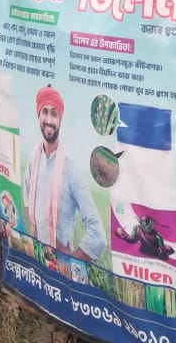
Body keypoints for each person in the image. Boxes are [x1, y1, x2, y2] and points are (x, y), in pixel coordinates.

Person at [23, 85, 106, 262]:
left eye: (54, 114)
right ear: (38, 115)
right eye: (45, 112)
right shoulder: (33, 159)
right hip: (38, 260)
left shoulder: (71, 172)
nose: (49, 120)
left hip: (61, 269)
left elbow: (98, 236)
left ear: (60, 119)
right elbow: (28, 201)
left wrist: (70, 264)